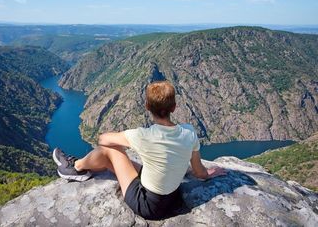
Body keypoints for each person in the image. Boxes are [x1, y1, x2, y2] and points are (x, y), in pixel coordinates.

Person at [52, 80, 226, 220]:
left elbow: (103, 139)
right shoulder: (189, 132)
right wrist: (210, 173)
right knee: (118, 158)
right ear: (174, 107)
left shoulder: (143, 135)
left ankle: (76, 168)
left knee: (108, 150)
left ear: (147, 107)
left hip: (148, 205)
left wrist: (121, 139)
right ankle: (82, 167)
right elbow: (199, 171)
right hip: (173, 198)